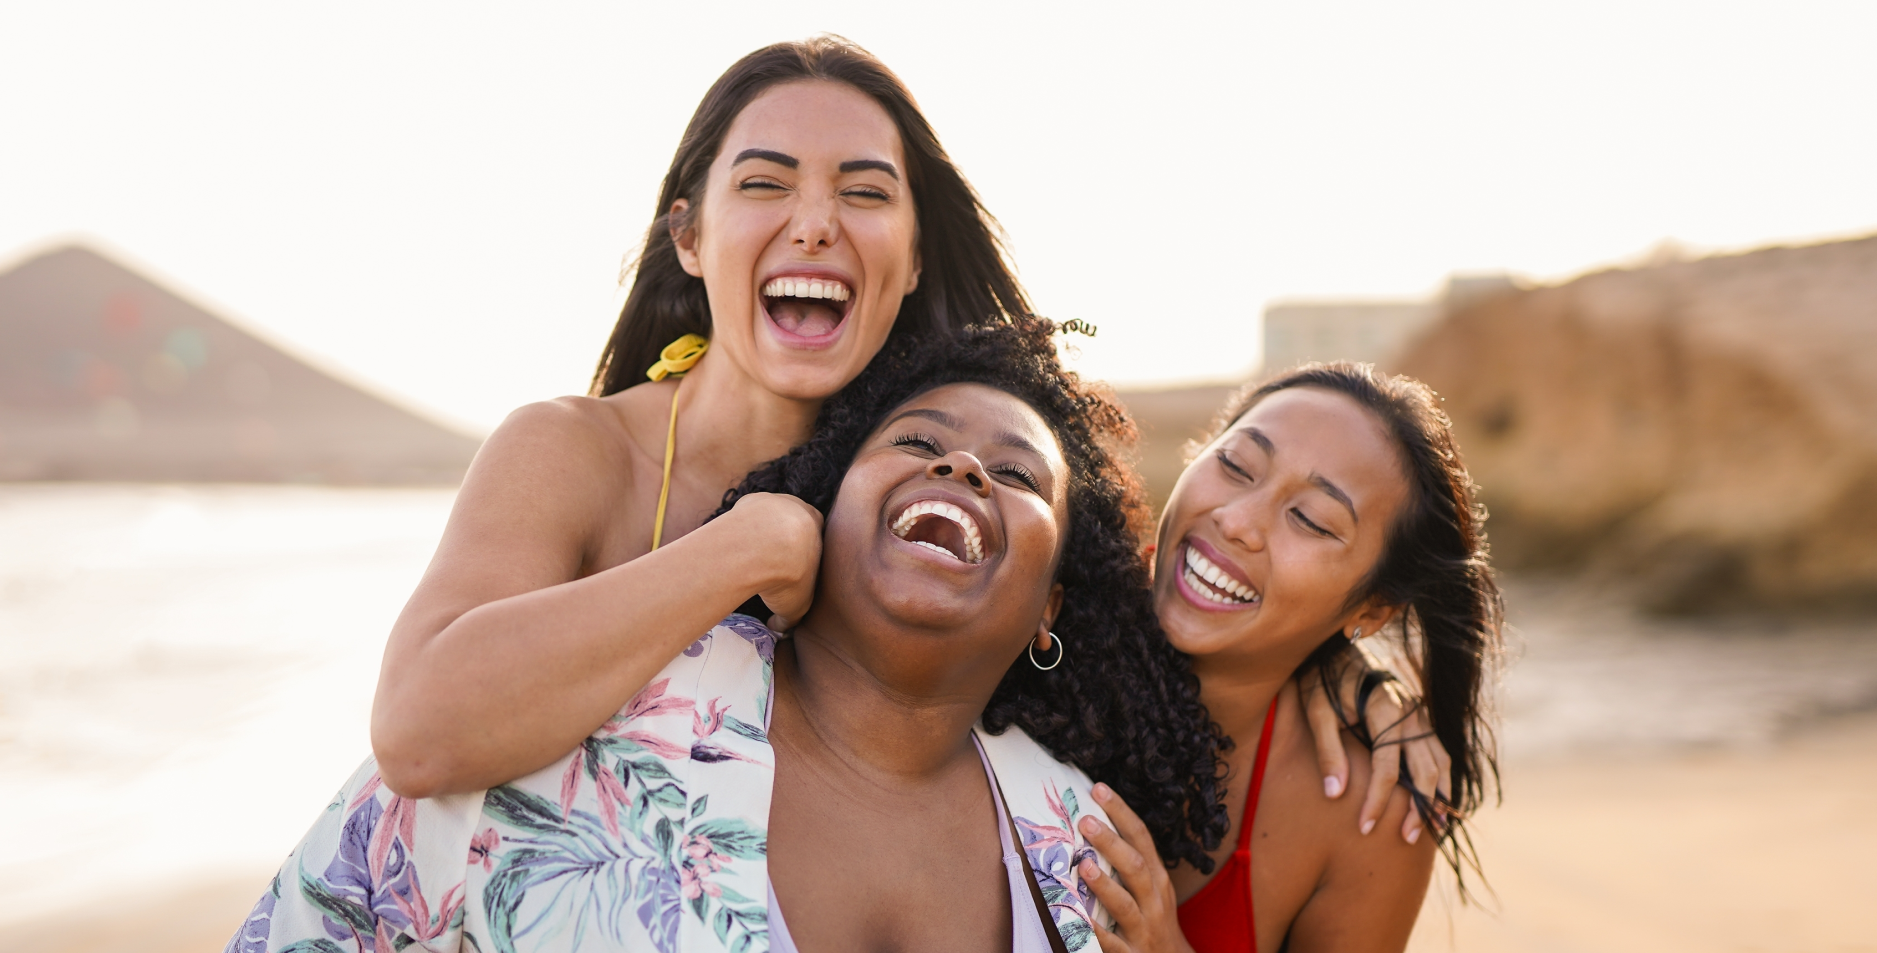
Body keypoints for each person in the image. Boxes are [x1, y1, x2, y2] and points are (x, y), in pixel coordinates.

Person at [367, 35, 1441, 826]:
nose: (817, 220)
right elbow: (420, 731)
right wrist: (744, 548)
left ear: (914, 256)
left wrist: (1356, 679)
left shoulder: (925, 478)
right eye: (764, 183)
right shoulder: (575, 452)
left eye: (864, 192)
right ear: (690, 238)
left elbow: (1136, 619)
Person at [184, 322, 1221, 953]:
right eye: (914, 443)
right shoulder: (576, 737)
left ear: (1052, 607)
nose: (962, 466)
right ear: (823, 506)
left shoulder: (1083, 847)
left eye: (1016, 473)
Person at [1076, 364, 1502, 953]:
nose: (1238, 522)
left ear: (1370, 611)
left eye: (1310, 519)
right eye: (1237, 466)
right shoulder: (1031, 617)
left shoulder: (1368, 807)